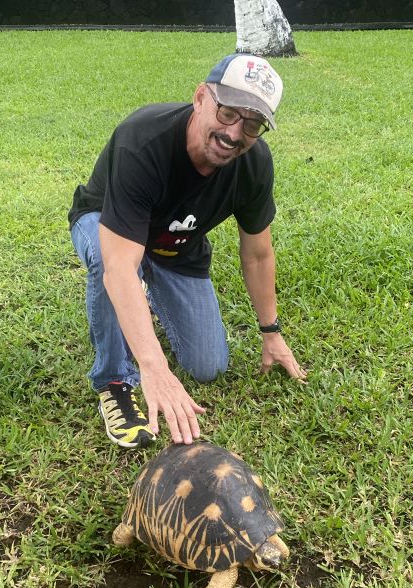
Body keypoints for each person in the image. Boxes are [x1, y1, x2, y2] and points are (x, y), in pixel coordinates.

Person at [68, 53, 307, 450]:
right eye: (228, 112)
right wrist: (154, 367)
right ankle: (113, 381)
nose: (235, 133)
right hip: (108, 224)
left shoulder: (254, 165)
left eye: (253, 124)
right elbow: (119, 267)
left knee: (208, 366)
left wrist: (271, 332)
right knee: (109, 264)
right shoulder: (142, 139)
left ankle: (145, 299)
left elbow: (258, 254)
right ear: (200, 98)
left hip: (175, 246)